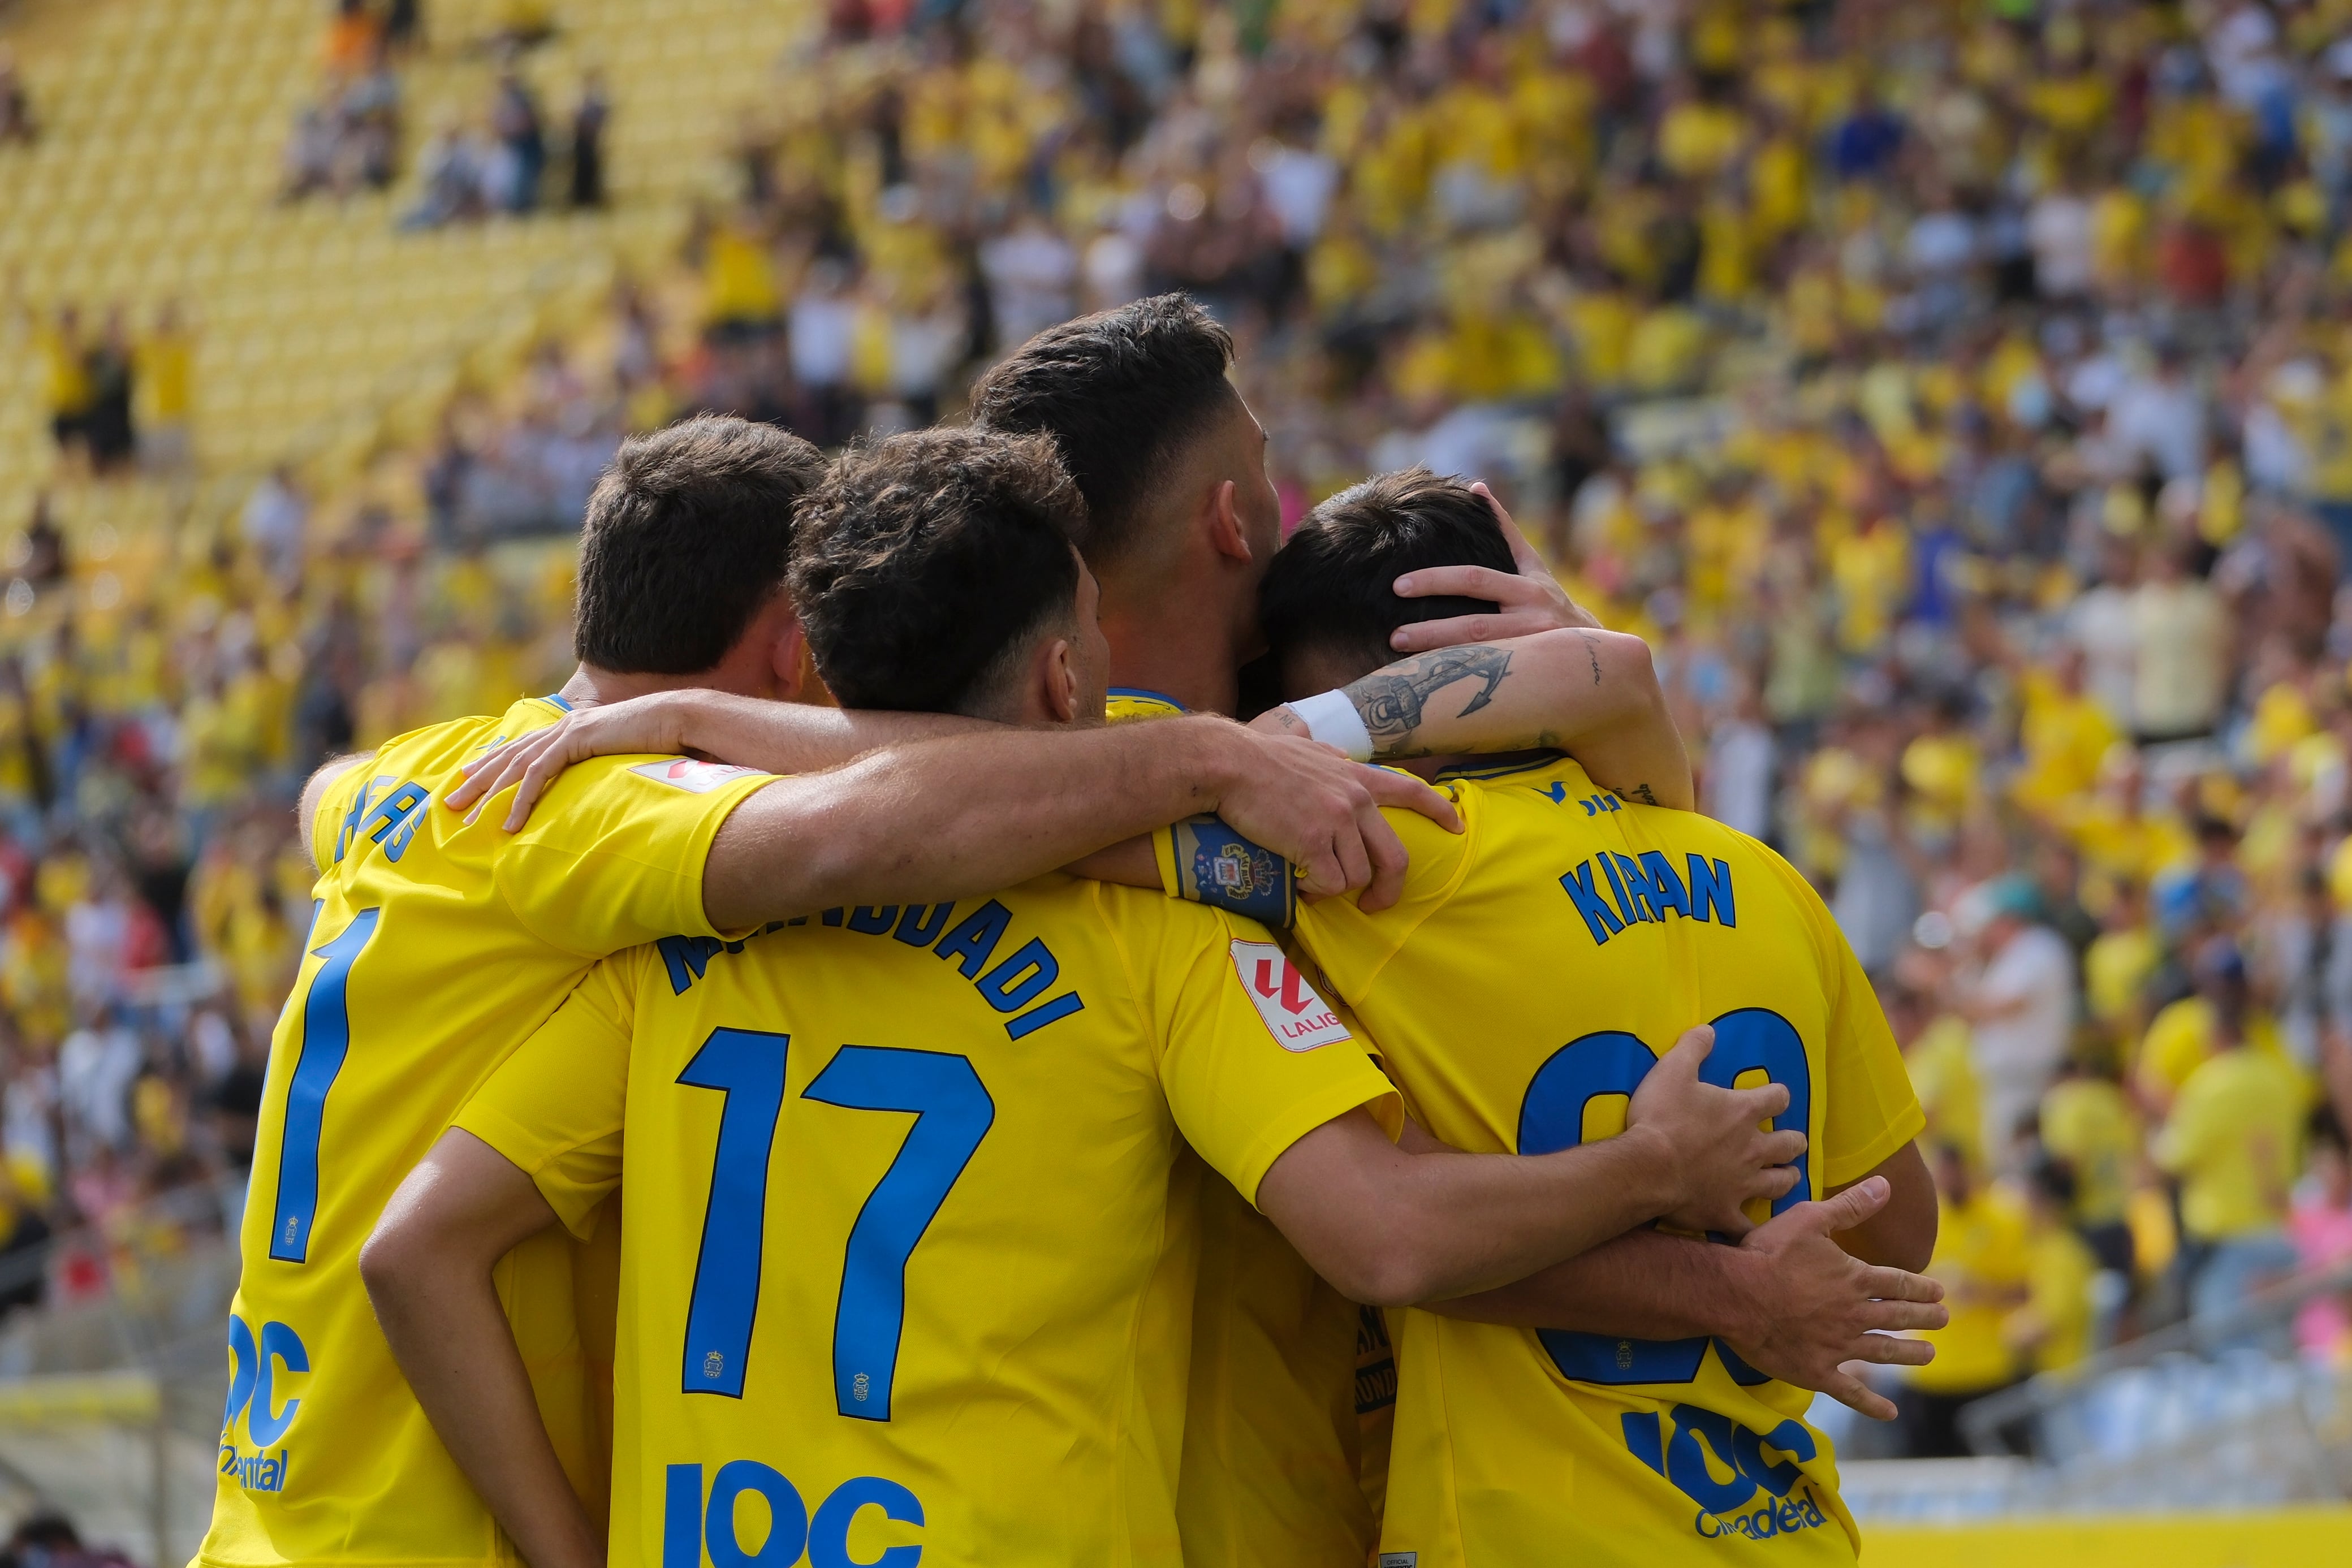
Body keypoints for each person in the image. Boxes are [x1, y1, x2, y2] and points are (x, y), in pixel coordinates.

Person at [361, 427, 1828, 1567]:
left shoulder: (672, 952)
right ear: (1067, 679)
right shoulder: (1172, 929)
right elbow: (1385, 1229)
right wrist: (1651, 1163)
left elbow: (415, 1246)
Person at [196, 414, 1438, 1568]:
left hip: (265, 1514)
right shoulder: (618, 820)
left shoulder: (414, 782)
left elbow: (322, 795)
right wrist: (1206, 760)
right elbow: (870, 828)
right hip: (423, 1533)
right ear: (795, 645)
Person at [1148, 470, 1940, 1565]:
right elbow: (1896, 1232)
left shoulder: (1381, 870)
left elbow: (1400, 1238)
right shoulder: (1762, 876)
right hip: (1781, 1530)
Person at [1902, 1142, 2032, 1458]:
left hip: (1987, 1367)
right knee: (1935, 1468)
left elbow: (2025, 1289)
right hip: (1931, 1371)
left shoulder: (2002, 1220)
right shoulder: (1924, 1221)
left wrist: (1982, 1292)